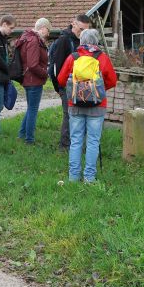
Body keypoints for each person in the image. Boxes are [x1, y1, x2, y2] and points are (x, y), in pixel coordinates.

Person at [57, 29, 117, 183]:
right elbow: (112, 81)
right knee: (93, 141)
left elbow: (61, 79)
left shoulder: (73, 57)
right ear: (96, 41)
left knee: (75, 140)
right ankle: (90, 177)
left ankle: (73, 176)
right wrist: (97, 91)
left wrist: (75, 90)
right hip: (97, 106)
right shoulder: (102, 57)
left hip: (75, 104)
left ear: (81, 41)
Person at [50, 14, 90, 151]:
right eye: (81, 29)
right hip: (65, 85)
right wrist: (59, 88)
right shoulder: (64, 40)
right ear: (73, 24)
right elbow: (56, 67)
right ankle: (65, 146)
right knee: (69, 115)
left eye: (85, 30)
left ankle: (77, 144)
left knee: (79, 114)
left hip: (80, 85)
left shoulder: (82, 41)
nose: (82, 33)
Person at [16, 17, 51, 144]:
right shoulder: (34, 41)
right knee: (33, 110)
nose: (48, 34)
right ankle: (29, 139)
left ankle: (22, 134)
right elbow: (32, 64)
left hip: (29, 79)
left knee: (31, 108)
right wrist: (45, 74)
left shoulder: (28, 38)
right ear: (43, 28)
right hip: (33, 79)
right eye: (48, 30)